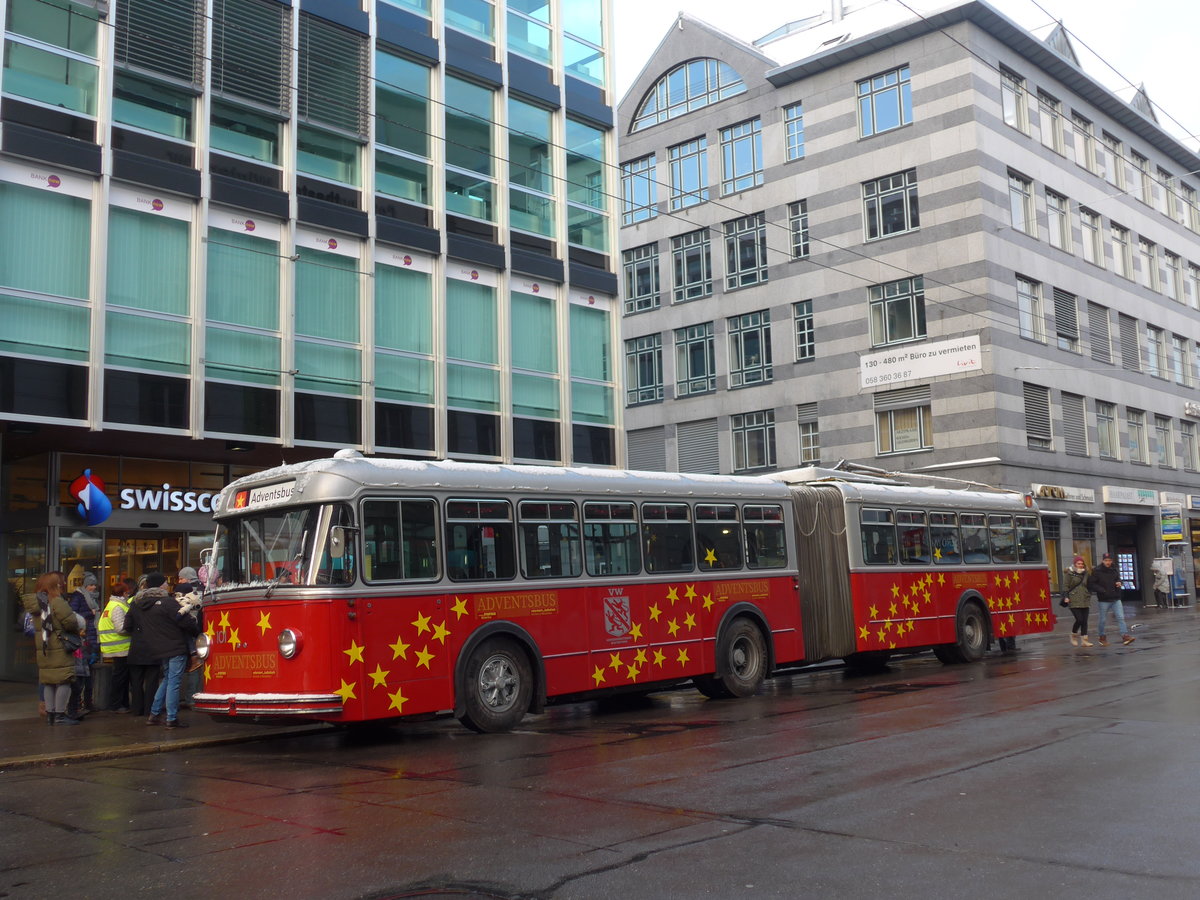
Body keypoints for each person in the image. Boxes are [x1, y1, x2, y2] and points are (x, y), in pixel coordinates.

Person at [124, 572, 200, 728]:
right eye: (165, 582)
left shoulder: (140, 603)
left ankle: (154, 714)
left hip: (158, 647)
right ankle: (171, 718)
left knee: (167, 680)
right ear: (160, 585)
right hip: (175, 646)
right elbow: (186, 622)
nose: (167, 585)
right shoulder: (167, 602)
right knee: (174, 682)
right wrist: (196, 629)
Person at [22, 572, 83, 725]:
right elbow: (70, 622)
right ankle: (60, 715)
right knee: (64, 680)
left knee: (49, 681)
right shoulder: (56, 602)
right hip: (59, 646)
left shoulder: (36, 603)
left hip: (44, 647)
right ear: (55, 585)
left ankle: (50, 714)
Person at [66, 571, 101, 717]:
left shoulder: (92, 599)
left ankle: (88, 702)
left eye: (94, 584)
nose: (93, 587)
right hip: (84, 639)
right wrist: (90, 614)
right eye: (90, 585)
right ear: (85, 585)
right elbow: (73, 616)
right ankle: (78, 704)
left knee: (89, 675)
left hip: (92, 638)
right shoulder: (78, 597)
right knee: (81, 675)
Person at [97, 579, 134, 712]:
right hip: (121, 648)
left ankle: (121, 704)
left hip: (113, 647)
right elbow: (120, 628)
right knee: (120, 678)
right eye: (127, 593)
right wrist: (134, 630)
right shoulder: (118, 607)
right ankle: (117, 704)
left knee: (120, 677)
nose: (128, 595)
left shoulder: (110, 605)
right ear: (124, 593)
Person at [1087, 552, 1134, 646]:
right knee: (1103, 619)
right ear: (1103, 561)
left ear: (1111, 561)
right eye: (1106, 560)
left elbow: (1118, 579)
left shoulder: (1114, 569)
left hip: (1115, 597)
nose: (1108, 562)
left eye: (1109, 560)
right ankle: (1102, 636)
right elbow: (1091, 584)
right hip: (1104, 599)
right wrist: (1102, 590)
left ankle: (1125, 635)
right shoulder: (1097, 571)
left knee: (1120, 617)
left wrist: (1119, 583)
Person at [1063, 556, 1093, 647]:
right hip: (1073, 599)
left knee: (1085, 621)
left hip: (1084, 598)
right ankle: (1073, 635)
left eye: (1081, 564)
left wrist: (1089, 593)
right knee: (1079, 619)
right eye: (1078, 563)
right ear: (1075, 564)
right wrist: (1066, 596)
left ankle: (1084, 640)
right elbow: (1066, 586)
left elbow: (1090, 584)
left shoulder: (1086, 573)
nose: (1080, 565)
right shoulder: (1069, 573)